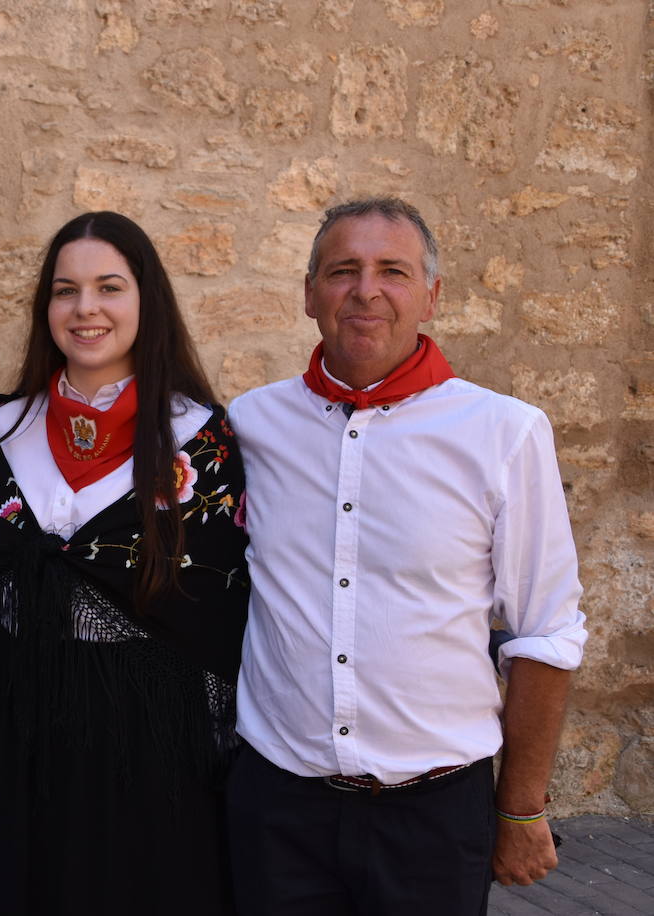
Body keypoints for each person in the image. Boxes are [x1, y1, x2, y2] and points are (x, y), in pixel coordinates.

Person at [226, 197, 588, 915]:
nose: (366, 290)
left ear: (431, 296)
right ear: (308, 295)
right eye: (342, 271)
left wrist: (519, 810)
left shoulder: (504, 433)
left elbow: (546, 633)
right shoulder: (249, 426)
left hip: (433, 818)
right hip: (278, 809)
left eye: (393, 271)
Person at [0, 211, 249, 915]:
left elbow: (222, 610)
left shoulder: (202, 443)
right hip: (15, 739)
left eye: (109, 287)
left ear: (146, 302)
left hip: (148, 751)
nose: (85, 309)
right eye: (65, 290)